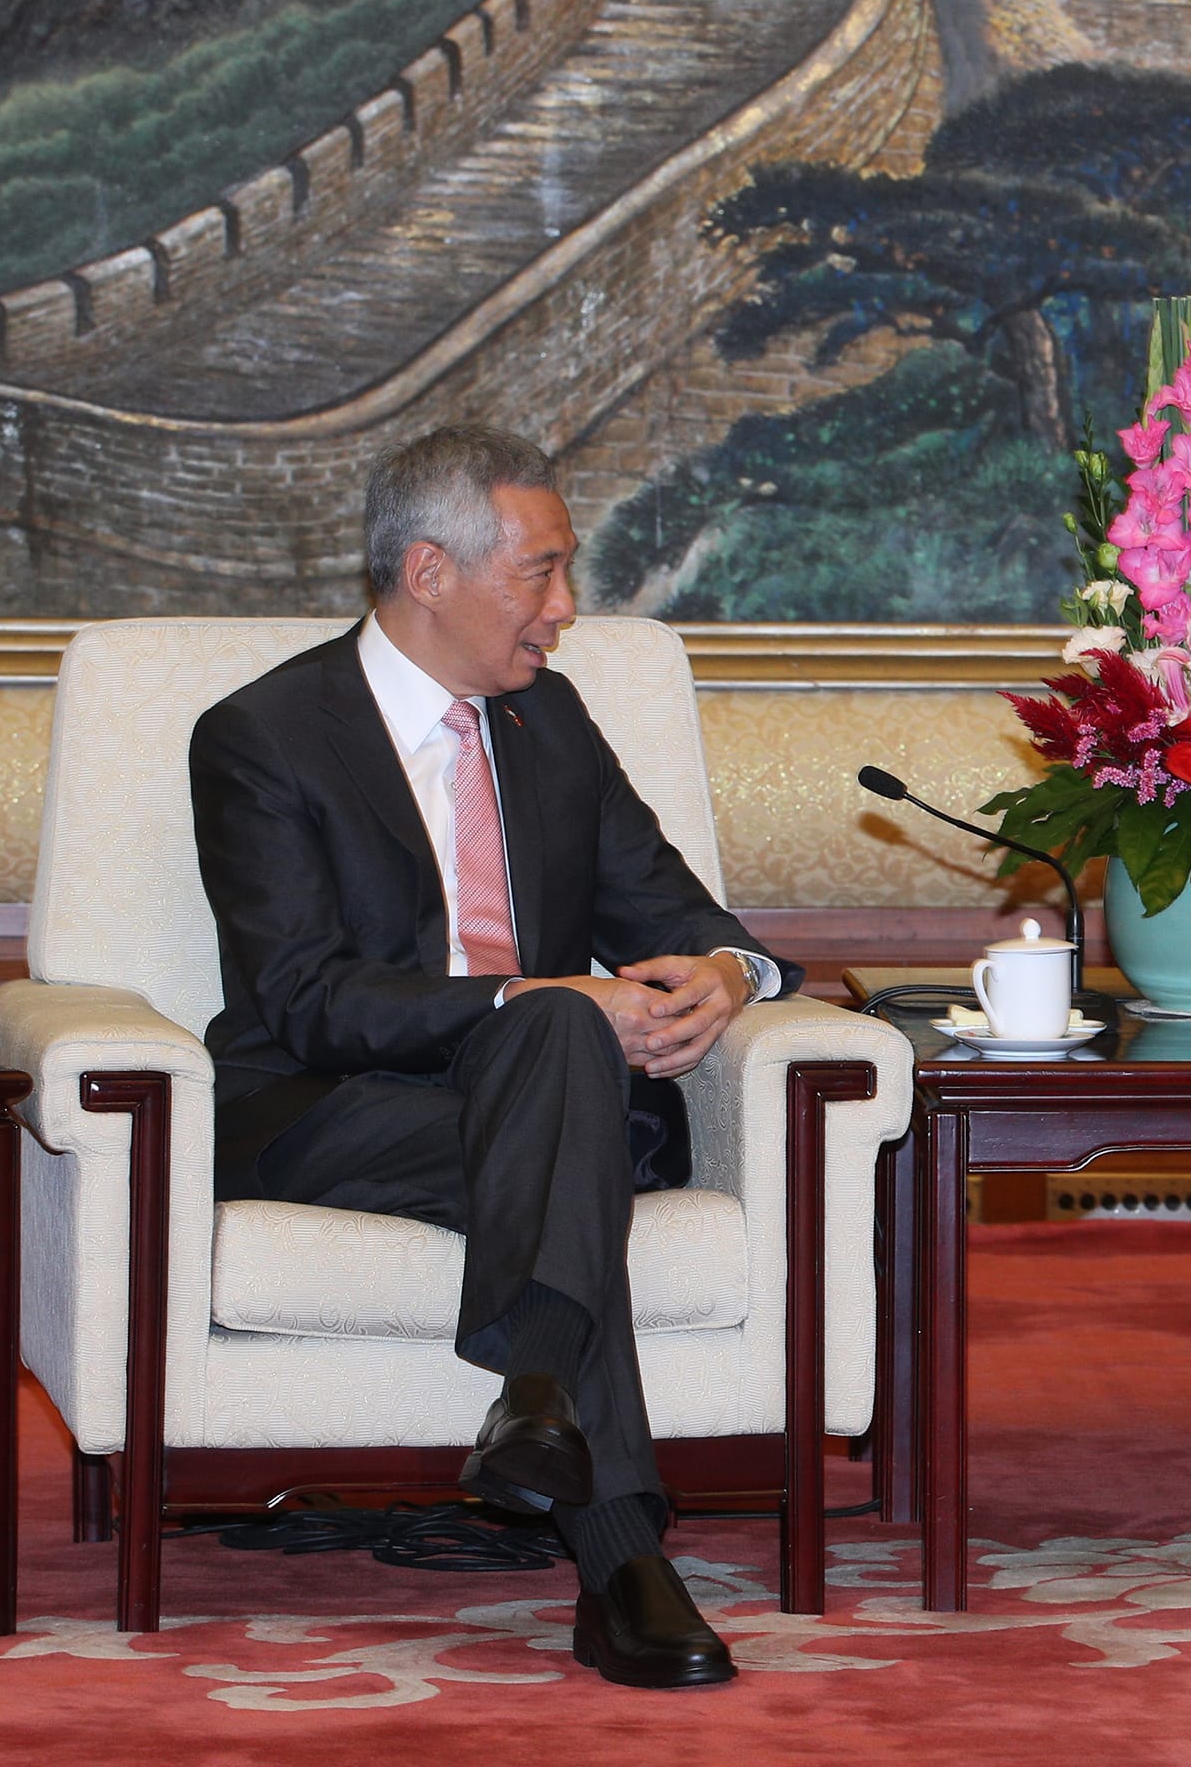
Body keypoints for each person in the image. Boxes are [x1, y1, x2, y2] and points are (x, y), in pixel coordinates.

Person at [190, 425, 792, 1691]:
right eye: (543, 571)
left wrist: (737, 973)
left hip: (553, 1105)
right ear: (430, 570)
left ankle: (537, 1400)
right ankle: (619, 1548)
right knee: (561, 1022)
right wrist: (531, 993)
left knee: (562, 1042)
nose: (567, 610)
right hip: (331, 1106)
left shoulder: (550, 719)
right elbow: (303, 1000)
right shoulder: (264, 735)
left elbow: (678, 909)